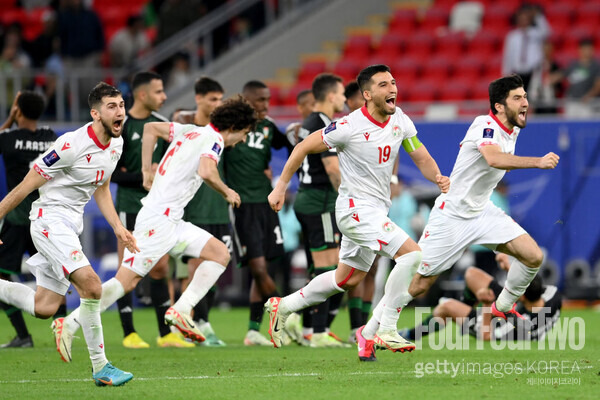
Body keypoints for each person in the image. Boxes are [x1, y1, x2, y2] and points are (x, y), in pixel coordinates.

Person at [265, 65, 450, 360]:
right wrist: (281, 187)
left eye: (393, 82)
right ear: (367, 94)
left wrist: (438, 177)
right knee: (412, 255)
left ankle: (283, 306)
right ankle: (386, 328)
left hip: (375, 211)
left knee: (346, 279)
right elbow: (302, 147)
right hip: (354, 210)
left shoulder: (399, 119)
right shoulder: (348, 127)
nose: (392, 89)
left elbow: (420, 154)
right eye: (383, 85)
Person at [54, 97, 256, 361]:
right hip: (158, 222)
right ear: (234, 126)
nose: (241, 140)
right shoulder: (214, 139)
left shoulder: (191, 130)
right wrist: (227, 190)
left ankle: (181, 310)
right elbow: (207, 171)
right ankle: (69, 323)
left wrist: (146, 169)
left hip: (171, 221)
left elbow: (152, 129)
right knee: (125, 282)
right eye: (243, 134)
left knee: (220, 253)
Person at [373, 74, 559, 360]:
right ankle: (373, 328)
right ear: (498, 106)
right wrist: (538, 161)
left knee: (533, 256)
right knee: (420, 284)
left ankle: (503, 305)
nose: (526, 103)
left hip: (482, 211)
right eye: (518, 98)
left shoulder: (512, 130)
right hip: (453, 216)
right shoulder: (483, 125)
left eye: (525, 96)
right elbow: (494, 159)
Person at [0, 82, 136, 386]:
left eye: (122, 106)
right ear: (95, 113)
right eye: (112, 107)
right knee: (92, 285)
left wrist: (117, 226)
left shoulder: (116, 143)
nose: (120, 112)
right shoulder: (69, 145)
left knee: (45, 306)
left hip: (71, 226)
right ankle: (102, 367)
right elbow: (27, 184)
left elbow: (101, 187)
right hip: (49, 221)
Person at [111, 71, 190, 349]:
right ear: (142, 94)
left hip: (157, 210)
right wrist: (144, 176)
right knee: (127, 271)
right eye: (159, 91)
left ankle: (165, 334)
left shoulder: (162, 125)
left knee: (160, 269)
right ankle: (129, 333)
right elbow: (112, 175)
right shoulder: (121, 126)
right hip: (129, 207)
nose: (164, 96)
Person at [223, 80, 294, 346]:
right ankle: (289, 314)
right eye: (260, 100)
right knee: (259, 267)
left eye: (267, 100)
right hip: (241, 205)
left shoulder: (267, 127)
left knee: (264, 268)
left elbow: (292, 148)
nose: (266, 105)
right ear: (247, 100)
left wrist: (279, 177)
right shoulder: (230, 127)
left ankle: (253, 330)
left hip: (266, 203)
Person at [292, 73, 349, 348]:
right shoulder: (325, 124)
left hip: (306, 199)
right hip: (320, 202)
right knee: (330, 267)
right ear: (330, 96)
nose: (343, 99)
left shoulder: (308, 123)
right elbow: (332, 169)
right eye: (340, 94)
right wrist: (350, 199)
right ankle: (318, 332)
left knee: (318, 267)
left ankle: (304, 326)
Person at [172, 76, 229, 346]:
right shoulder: (184, 127)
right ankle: (184, 325)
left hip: (217, 209)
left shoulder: (221, 131)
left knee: (214, 267)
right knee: (193, 269)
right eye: (212, 99)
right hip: (192, 209)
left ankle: (202, 322)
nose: (217, 104)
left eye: (220, 99)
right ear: (199, 98)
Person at [0, 91, 58, 348]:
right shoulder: (50, 137)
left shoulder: (8, 138)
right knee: (58, 275)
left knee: (2, 278)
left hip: (15, 219)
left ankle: (23, 336)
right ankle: (63, 329)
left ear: (18, 110)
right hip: (45, 219)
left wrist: (10, 118)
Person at [401, 254, 562, 342]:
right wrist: (508, 266)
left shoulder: (520, 326)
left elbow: (487, 335)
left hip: (491, 324)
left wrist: (486, 304)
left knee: (445, 307)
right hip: (515, 309)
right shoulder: (552, 295)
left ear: (522, 297)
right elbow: (529, 283)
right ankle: (464, 310)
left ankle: (410, 335)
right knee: (472, 274)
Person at [501, 4, 551, 92]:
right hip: (517, 71)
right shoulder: (512, 36)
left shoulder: (536, 33)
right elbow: (508, 55)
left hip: (533, 70)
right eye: (521, 18)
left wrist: (538, 16)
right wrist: (506, 72)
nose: (524, 21)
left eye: (526, 18)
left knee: (532, 95)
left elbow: (547, 32)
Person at [562, 38, 600, 118]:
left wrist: (588, 96)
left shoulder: (596, 66)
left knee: (585, 127)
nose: (587, 51)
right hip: (572, 101)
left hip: (588, 103)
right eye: (585, 49)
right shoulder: (573, 65)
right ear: (580, 50)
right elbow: (562, 75)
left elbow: (598, 86)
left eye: (589, 49)